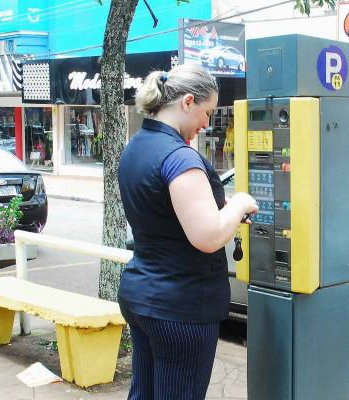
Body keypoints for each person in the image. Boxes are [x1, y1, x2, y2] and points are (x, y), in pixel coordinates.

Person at [118, 64, 259, 400]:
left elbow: (167, 216)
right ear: (187, 102)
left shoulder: (137, 146)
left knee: (145, 394)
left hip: (142, 296)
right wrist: (237, 204)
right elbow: (207, 236)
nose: (207, 123)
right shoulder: (181, 159)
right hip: (181, 307)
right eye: (207, 112)